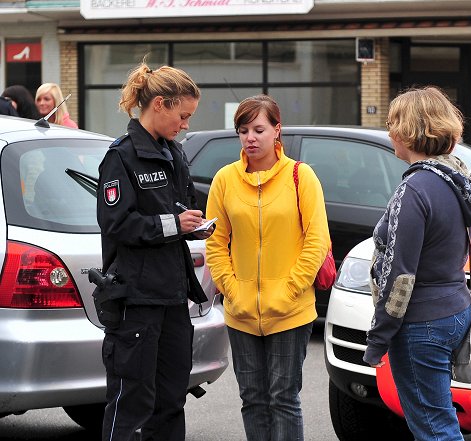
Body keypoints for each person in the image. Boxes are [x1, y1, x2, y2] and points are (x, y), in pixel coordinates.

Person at [96, 62, 212, 441]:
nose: (186, 125)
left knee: (170, 400)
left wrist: (194, 222)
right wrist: (173, 225)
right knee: (132, 400)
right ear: (160, 104)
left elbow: (179, 207)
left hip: (173, 298)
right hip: (136, 301)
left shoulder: (174, 154)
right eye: (183, 115)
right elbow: (116, 224)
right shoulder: (121, 156)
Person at [363, 86, 471, 441]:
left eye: (392, 124)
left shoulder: (415, 188)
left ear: (410, 131)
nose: (389, 133)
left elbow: (400, 276)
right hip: (453, 311)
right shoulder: (456, 180)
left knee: (434, 428)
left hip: (422, 323)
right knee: (439, 417)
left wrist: (378, 339)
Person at [205, 94, 330, 441]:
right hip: (241, 311)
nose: (251, 138)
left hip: (290, 311)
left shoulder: (300, 176)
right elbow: (216, 241)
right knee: (252, 399)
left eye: (259, 129)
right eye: (243, 130)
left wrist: (289, 290)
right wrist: (231, 289)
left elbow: (317, 241)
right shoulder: (224, 180)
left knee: (283, 398)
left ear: (277, 130)